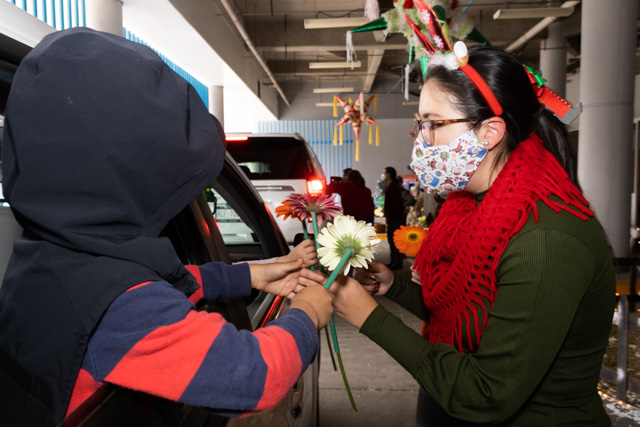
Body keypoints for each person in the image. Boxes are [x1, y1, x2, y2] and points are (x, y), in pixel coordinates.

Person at [0, 27, 332, 426]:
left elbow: (148, 281)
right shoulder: (122, 311)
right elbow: (255, 377)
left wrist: (249, 274)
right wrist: (306, 314)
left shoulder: (47, 259)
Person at [329, 44, 615, 426]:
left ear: (489, 132)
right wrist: (392, 287)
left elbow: (487, 393)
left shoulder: (546, 238)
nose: (421, 140)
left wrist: (372, 320)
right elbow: (461, 310)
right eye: (419, 123)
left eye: (434, 123)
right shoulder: (471, 207)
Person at [382, 167, 406, 270]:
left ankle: (396, 262)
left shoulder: (392, 186)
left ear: (389, 174)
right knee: (392, 240)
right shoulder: (391, 186)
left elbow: (394, 203)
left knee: (393, 240)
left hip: (394, 217)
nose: (383, 174)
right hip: (393, 217)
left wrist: (388, 213)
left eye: (384, 173)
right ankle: (394, 261)